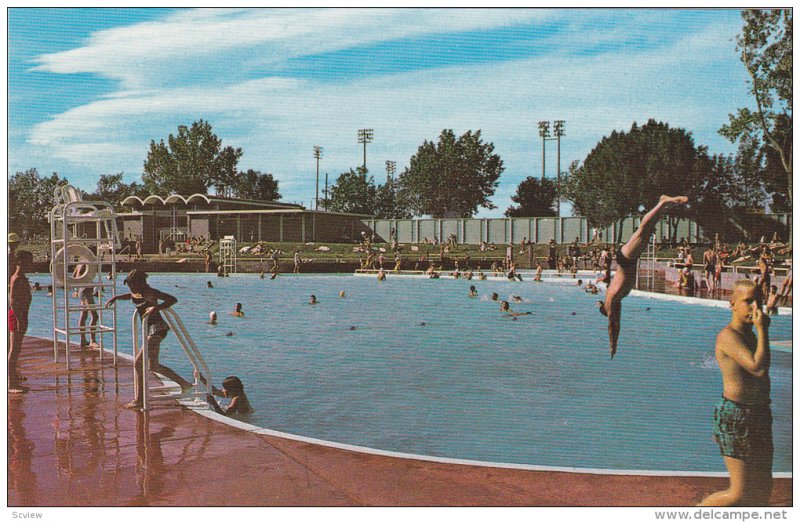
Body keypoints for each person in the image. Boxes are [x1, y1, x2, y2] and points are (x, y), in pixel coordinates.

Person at [699, 279, 773, 506]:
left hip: (760, 413)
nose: (755, 307)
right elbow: (758, 367)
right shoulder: (728, 336)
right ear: (732, 304)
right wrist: (763, 331)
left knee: (762, 489)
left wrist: (760, 333)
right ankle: (698, 510)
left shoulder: (751, 335)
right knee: (738, 493)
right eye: (748, 301)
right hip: (735, 417)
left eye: (758, 301)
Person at [597, 195, 688, 358]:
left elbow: (612, 325)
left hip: (626, 259)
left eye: (612, 313)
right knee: (646, 230)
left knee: (643, 230)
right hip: (628, 260)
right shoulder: (615, 300)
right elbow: (617, 323)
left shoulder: (611, 301)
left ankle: (662, 202)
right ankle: (664, 206)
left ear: (607, 309)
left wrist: (613, 345)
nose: (616, 314)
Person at [106, 270, 193, 409]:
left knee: (138, 363)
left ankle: (140, 399)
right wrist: (116, 297)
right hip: (150, 330)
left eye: (132, 285)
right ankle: (185, 384)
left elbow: (172, 299)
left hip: (157, 329)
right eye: (129, 285)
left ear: (140, 283)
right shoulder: (137, 292)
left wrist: (156, 308)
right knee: (153, 366)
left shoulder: (150, 292)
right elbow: (131, 296)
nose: (130, 288)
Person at [9, 250, 32, 393]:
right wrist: (18, 319)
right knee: (14, 351)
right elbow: (12, 300)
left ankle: (13, 379)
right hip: (17, 316)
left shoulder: (22, 277)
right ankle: (11, 385)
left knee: (16, 350)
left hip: (21, 315)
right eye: (28, 261)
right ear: (20, 262)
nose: (31, 264)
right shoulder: (17, 277)